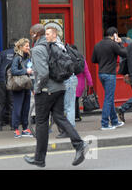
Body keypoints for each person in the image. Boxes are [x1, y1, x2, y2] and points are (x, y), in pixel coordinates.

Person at [24, 24, 87, 168]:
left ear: (35, 34)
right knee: (59, 117)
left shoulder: (38, 49)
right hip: (60, 87)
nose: (31, 36)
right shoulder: (52, 45)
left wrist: (38, 88)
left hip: (47, 91)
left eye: (31, 33)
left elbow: (43, 73)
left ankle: (39, 159)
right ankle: (79, 144)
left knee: (41, 123)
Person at [92, 27, 127, 130]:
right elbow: (125, 53)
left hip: (101, 73)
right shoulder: (113, 44)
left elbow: (93, 59)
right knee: (108, 99)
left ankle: (115, 121)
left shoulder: (98, 44)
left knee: (109, 98)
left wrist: (103, 62)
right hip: (110, 74)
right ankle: (105, 124)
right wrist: (120, 43)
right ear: (114, 35)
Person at [0, 38, 17, 130]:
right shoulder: (19, 54)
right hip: (13, 80)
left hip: (1, 79)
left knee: (0, 103)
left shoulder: (3, 53)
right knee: (12, 103)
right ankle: (13, 125)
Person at [10, 38, 33, 138]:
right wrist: (25, 71)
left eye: (29, 45)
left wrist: (33, 88)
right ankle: (15, 129)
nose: (29, 47)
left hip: (27, 85)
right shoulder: (17, 58)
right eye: (26, 46)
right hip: (19, 86)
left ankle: (25, 128)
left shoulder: (28, 57)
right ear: (20, 47)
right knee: (17, 108)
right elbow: (13, 71)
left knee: (26, 108)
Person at [71, 45, 94, 122]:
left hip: (71, 81)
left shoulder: (69, 58)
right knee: (76, 99)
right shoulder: (81, 58)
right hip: (80, 83)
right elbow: (86, 71)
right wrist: (90, 83)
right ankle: (77, 116)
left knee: (73, 100)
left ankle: (75, 116)